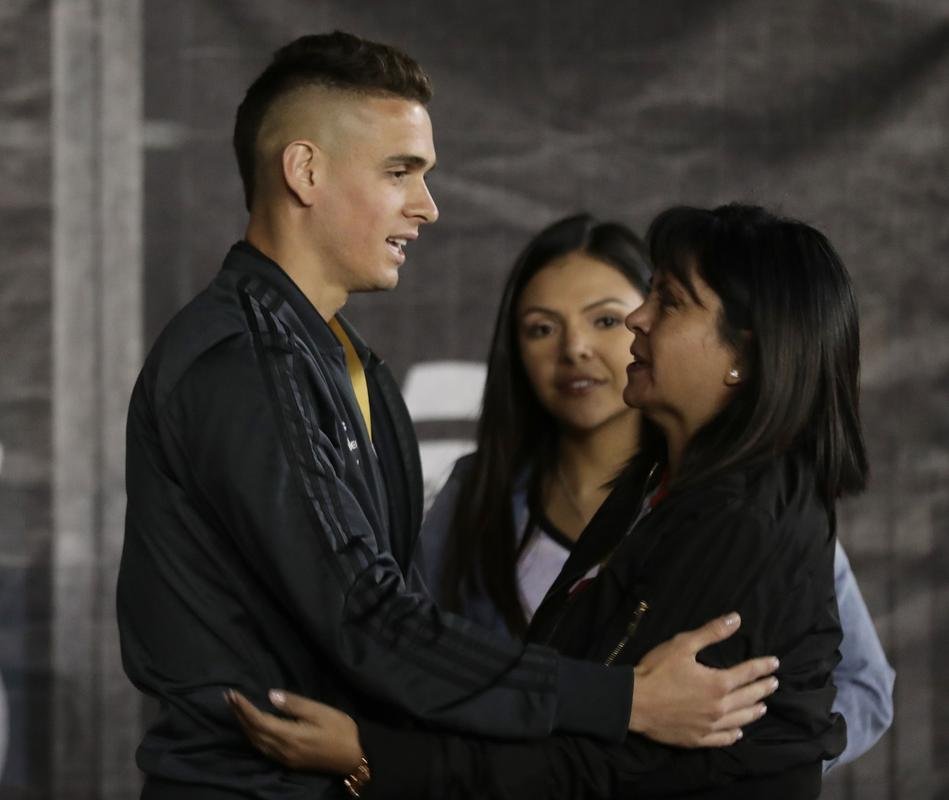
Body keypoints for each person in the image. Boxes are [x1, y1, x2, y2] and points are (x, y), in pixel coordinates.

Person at [117, 34, 778, 800]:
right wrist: (624, 700)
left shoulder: (351, 365)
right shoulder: (241, 367)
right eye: (400, 173)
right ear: (305, 171)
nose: (427, 207)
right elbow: (367, 618)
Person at [229, 202, 871, 799]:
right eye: (542, 328)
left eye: (667, 302)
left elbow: (615, 768)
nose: (635, 322)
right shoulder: (649, 489)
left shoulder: (747, 523)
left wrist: (374, 759)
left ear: (746, 356)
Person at [420, 212, 894, 767]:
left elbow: (861, 687)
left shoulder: (751, 510)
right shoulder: (476, 494)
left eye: (605, 320)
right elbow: (416, 658)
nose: (575, 349)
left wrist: (740, 758)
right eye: (542, 328)